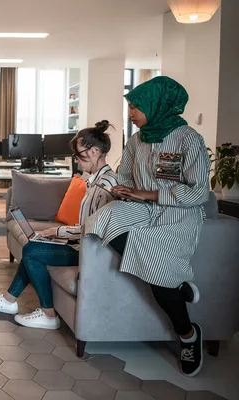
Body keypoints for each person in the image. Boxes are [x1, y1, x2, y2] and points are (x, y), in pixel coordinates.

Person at [84, 76, 209, 377]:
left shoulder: (188, 139)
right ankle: (178, 285)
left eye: (136, 106)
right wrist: (122, 190)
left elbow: (199, 192)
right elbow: (125, 175)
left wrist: (151, 194)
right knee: (102, 218)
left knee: (158, 270)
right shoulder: (137, 140)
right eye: (129, 106)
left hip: (177, 214)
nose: (130, 112)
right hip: (142, 209)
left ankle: (189, 335)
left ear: (157, 105)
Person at [0, 121, 118, 329]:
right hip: (80, 244)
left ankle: (48, 314)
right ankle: (9, 300)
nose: (77, 162)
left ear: (95, 151)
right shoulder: (95, 180)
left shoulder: (106, 186)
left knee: (32, 251)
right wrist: (59, 235)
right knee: (33, 245)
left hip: (89, 251)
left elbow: (94, 231)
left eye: (79, 156)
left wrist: (58, 231)